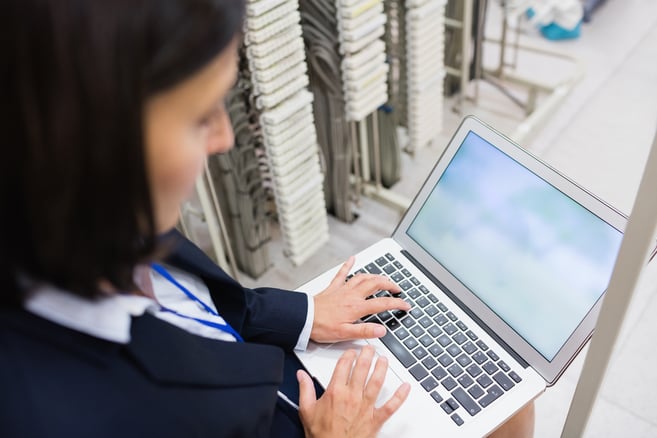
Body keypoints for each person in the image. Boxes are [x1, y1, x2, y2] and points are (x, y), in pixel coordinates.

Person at [0, 0, 534, 436]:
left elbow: (210, 309)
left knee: (510, 397)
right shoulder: (48, 411)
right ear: (92, 141)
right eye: (198, 115)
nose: (224, 138)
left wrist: (304, 315)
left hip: (271, 373)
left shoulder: (99, 214)